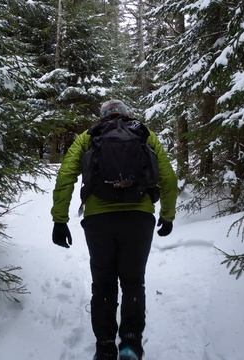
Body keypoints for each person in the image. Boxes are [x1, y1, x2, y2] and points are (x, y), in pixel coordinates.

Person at [50, 99, 178, 360]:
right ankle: (131, 344)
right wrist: (168, 214)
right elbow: (168, 177)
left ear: (102, 116)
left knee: (103, 285)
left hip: (99, 220)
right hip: (139, 217)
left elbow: (65, 176)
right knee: (133, 282)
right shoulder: (143, 133)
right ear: (126, 114)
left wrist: (59, 219)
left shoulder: (89, 136)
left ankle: (105, 347)